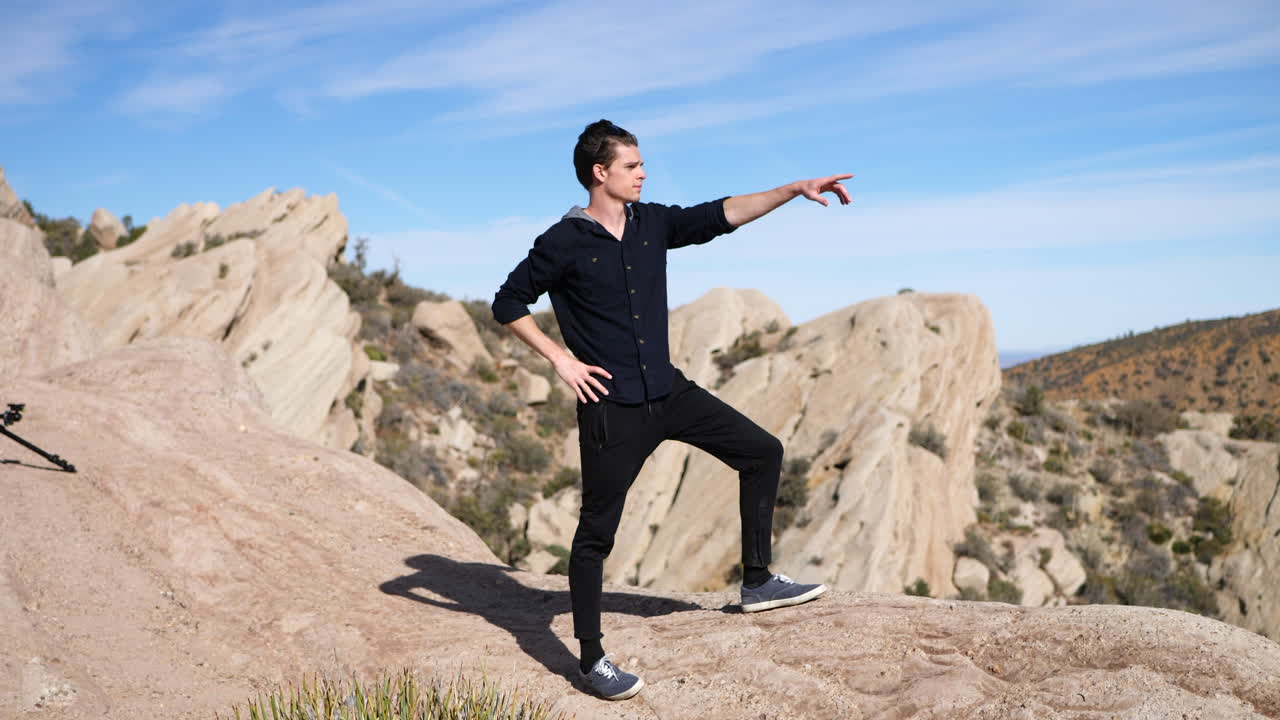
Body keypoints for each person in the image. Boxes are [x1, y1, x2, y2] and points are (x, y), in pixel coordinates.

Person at [491, 119, 852, 701]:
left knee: (762, 450)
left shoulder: (651, 221)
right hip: (613, 407)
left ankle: (757, 580)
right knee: (595, 536)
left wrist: (791, 190)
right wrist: (560, 359)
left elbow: (720, 214)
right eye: (632, 166)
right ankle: (590, 659)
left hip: (670, 392)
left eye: (642, 165)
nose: (643, 173)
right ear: (599, 173)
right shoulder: (561, 242)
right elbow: (507, 302)